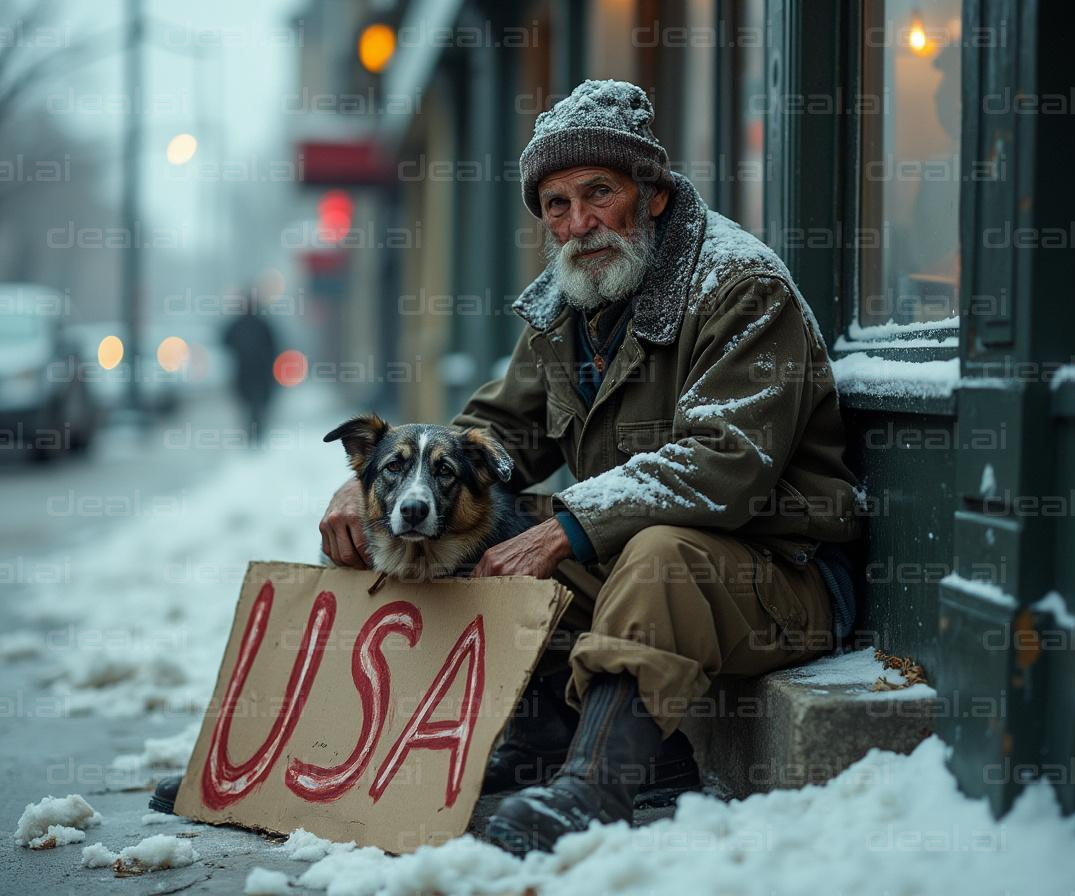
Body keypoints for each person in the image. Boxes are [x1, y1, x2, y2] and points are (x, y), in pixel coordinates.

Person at [319, 79, 863, 855]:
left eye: (599, 193)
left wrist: (571, 526)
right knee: (476, 532)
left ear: (655, 195)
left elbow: (726, 464)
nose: (580, 223)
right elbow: (494, 434)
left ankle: (595, 785)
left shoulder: (740, 286)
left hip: (786, 574)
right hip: (644, 557)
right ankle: (557, 747)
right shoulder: (568, 305)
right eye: (556, 205)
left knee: (651, 552)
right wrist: (370, 479)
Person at [222, 286, 279, 441]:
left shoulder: (242, 325)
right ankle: (254, 433)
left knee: (251, 405)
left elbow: (225, 341)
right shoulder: (261, 324)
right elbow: (274, 347)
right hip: (254, 373)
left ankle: (253, 433)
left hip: (249, 373)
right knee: (253, 405)